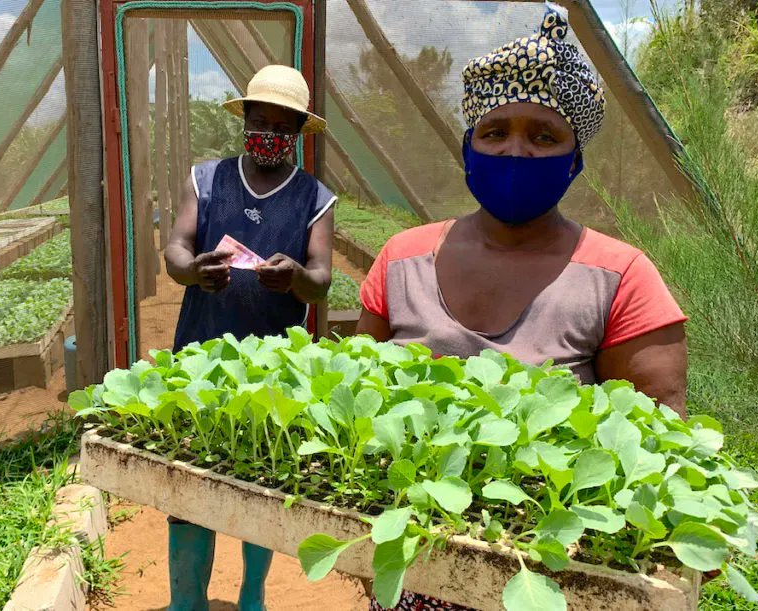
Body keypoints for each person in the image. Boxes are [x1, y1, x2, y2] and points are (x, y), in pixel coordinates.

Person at [356, 6, 688, 609]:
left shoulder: (621, 277)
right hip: (415, 568)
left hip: (551, 575)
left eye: (544, 136)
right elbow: (358, 405)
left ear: (575, 159)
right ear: (468, 147)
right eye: (495, 132)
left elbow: (656, 444)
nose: (516, 152)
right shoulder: (401, 259)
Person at [162, 64, 336, 611]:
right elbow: (175, 248)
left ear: (297, 135)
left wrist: (297, 279)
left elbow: (322, 280)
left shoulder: (314, 197)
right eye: (259, 122)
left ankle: (252, 595)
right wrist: (194, 271)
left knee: (262, 479)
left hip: (272, 366)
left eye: (281, 128)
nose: (268, 135)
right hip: (200, 353)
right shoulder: (207, 179)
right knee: (189, 477)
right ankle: (187, 600)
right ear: (245, 123)